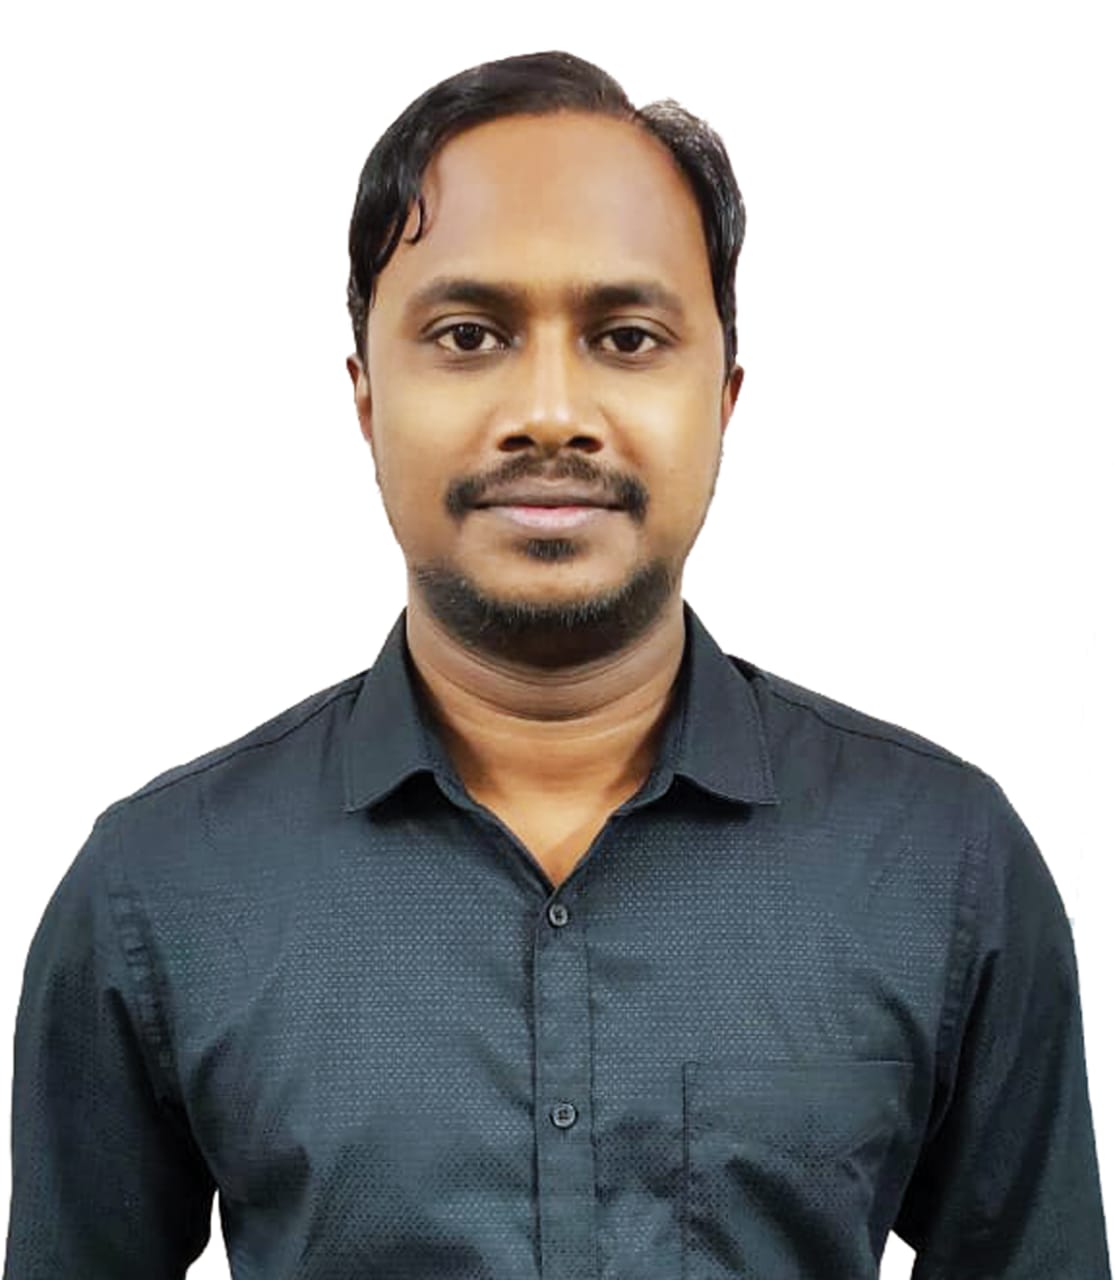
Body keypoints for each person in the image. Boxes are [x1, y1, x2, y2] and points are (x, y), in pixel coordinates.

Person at [3, 47, 1109, 1279]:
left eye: (625, 336)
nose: (548, 411)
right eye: (468, 334)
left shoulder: (941, 864)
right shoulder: (160, 888)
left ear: (723, 396)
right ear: (366, 397)